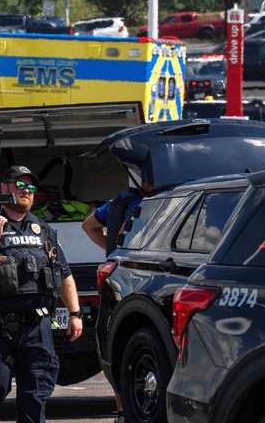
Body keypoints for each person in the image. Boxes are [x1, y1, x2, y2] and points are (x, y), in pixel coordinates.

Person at [0, 165, 83, 423]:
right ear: (4, 188)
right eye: (21, 185)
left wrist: (75, 313)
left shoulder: (43, 230)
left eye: (32, 188)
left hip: (37, 329)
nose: (27, 192)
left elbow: (64, 273)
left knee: (36, 394)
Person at [81, 172, 153, 423]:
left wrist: (114, 249)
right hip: (154, 280)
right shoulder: (167, 198)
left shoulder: (120, 202)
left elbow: (88, 225)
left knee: (118, 345)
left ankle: (124, 413)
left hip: (120, 279)